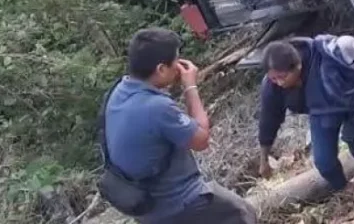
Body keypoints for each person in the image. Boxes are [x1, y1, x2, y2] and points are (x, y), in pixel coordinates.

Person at [104, 28, 257, 224]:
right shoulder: (156, 107)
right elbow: (201, 140)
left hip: (142, 206)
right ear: (160, 69)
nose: (179, 66)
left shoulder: (118, 91)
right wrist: (190, 87)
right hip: (177, 203)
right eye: (175, 61)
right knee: (242, 212)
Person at [257, 36, 354, 190]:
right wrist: (264, 160)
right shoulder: (272, 87)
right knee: (324, 162)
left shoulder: (329, 59)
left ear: (298, 66)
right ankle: (344, 190)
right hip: (321, 113)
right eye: (273, 79)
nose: (279, 83)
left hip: (351, 104)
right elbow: (269, 120)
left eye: (282, 77)